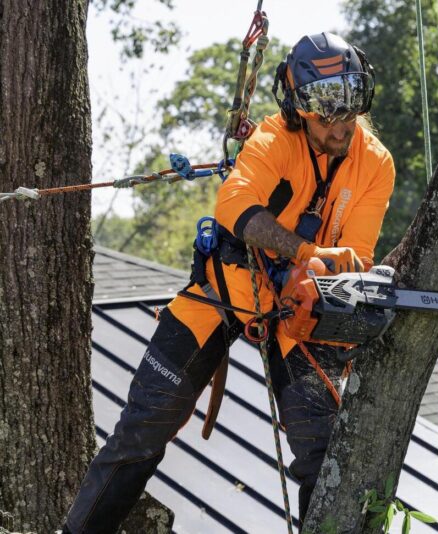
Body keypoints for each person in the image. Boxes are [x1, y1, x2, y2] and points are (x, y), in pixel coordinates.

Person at [63, 32, 395, 532]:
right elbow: (235, 206)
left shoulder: (376, 163)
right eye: (327, 111)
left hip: (298, 312)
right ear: (300, 106)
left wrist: (339, 264)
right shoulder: (272, 140)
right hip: (225, 291)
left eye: (350, 106)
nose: (339, 124)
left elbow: (360, 251)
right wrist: (305, 251)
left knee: (323, 454)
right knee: (142, 429)